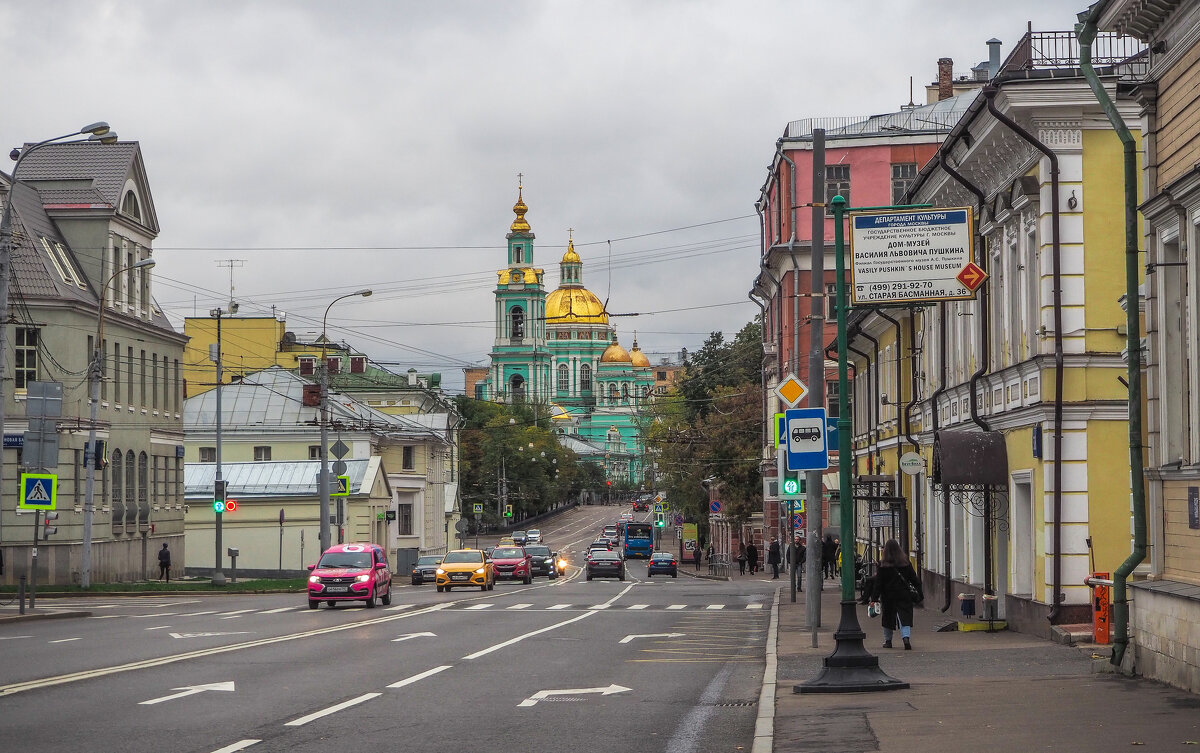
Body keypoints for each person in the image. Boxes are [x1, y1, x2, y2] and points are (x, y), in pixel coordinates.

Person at [869, 539, 923, 650]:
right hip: (904, 594)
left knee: (888, 618)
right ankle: (906, 638)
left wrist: (874, 598)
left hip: (888, 596)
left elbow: (878, 584)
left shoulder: (882, 565)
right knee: (904, 617)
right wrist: (920, 593)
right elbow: (914, 579)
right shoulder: (905, 562)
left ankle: (888, 641)